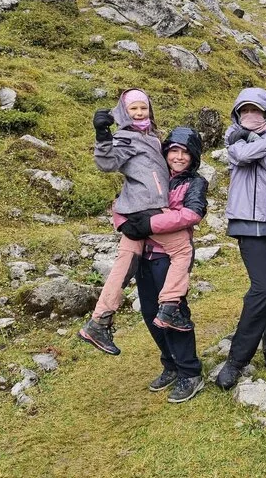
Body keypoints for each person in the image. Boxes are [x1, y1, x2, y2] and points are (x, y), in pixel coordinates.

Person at [80, 89, 194, 356]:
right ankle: (169, 307)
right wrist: (102, 136)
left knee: (123, 264)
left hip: (134, 211)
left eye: (144, 108)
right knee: (182, 250)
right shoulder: (126, 137)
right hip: (148, 210)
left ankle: (99, 320)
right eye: (134, 109)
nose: (140, 113)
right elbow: (107, 163)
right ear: (123, 112)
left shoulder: (151, 137)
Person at [215, 88, 266, 390]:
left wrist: (260, 143)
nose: (250, 116)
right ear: (238, 113)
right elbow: (243, 156)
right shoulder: (233, 135)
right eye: (245, 110)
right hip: (247, 225)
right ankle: (236, 360)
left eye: (256, 110)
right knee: (261, 289)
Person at [136, 127, 209, 403]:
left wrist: (150, 222)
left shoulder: (196, 183)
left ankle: (190, 372)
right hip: (144, 255)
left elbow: (192, 214)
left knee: (174, 313)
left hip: (171, 258)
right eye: (174, 151)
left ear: (194, 156)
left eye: (185, 152)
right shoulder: (155, 177)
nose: (178, 157)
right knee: (150, 313)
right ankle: (170, 364)